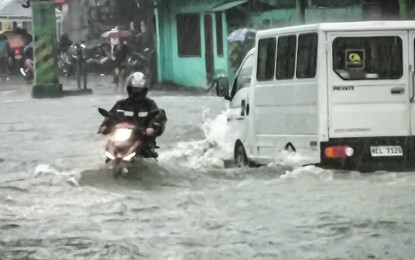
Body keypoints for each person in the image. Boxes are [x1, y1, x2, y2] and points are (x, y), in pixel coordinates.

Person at [97, 72, 167, 159]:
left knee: (148, 154)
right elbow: (111, 115)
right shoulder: (121, 104)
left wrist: (151, 127)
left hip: (142, 137)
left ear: (144, 90)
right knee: (110, 145)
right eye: (134, 89)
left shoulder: (149, 104)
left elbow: (156, 116)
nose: (136, 92)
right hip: (123, 136)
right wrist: (105, 125)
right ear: (129, 89)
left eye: (139, 89)